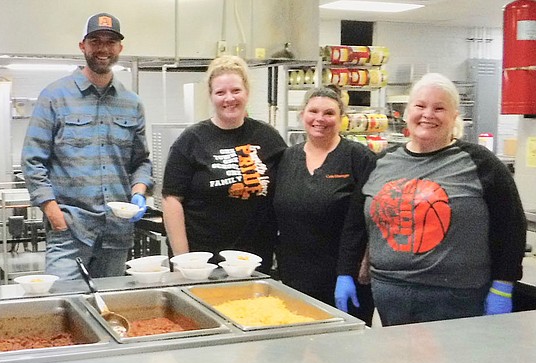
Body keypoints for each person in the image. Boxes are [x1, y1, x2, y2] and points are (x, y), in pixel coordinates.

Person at [335, 73, 526, 326]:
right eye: (420, 106)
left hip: (457, 297)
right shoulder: (381, 162)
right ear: (406, 113)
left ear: (455, 117)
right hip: (390, 294)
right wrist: (345, 272)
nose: (428, 114)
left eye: (439, 108)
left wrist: (503, 284)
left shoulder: (481, 163)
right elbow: (356, 224)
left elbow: (512, 226)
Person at [21, 13, 152, 280]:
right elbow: (33, 160)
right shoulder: (55, 97)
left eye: (110, 42)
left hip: (117, 231)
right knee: (65, 307)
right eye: (95, 41)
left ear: (120, 49)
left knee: (108, 308)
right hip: (69, 231)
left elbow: (141, 161)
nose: (103, 48)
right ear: (83, 46)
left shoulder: (132, 103)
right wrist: (53, 212)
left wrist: (139, 192)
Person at [162, 55, 286, 270]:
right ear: (211, 96)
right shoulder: (191, 141)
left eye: (236, 90)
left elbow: (285, 193)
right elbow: (171, 200)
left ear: (246, 92)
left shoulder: (268, 137)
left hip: (255, 261)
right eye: (220, 92)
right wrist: (183, 262)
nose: (229, 98)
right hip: (203, 264)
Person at [272, 86, 376, 325]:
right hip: (294, 278)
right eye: (313, 111)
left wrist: (348, 273)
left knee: (344, 354)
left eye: (329, 113)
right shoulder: (287, 158)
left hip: (345, 280)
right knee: (297, 351)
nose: (320, 119)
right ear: (302, 115)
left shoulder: (360, 158)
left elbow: (365, 222)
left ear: (342, 120)